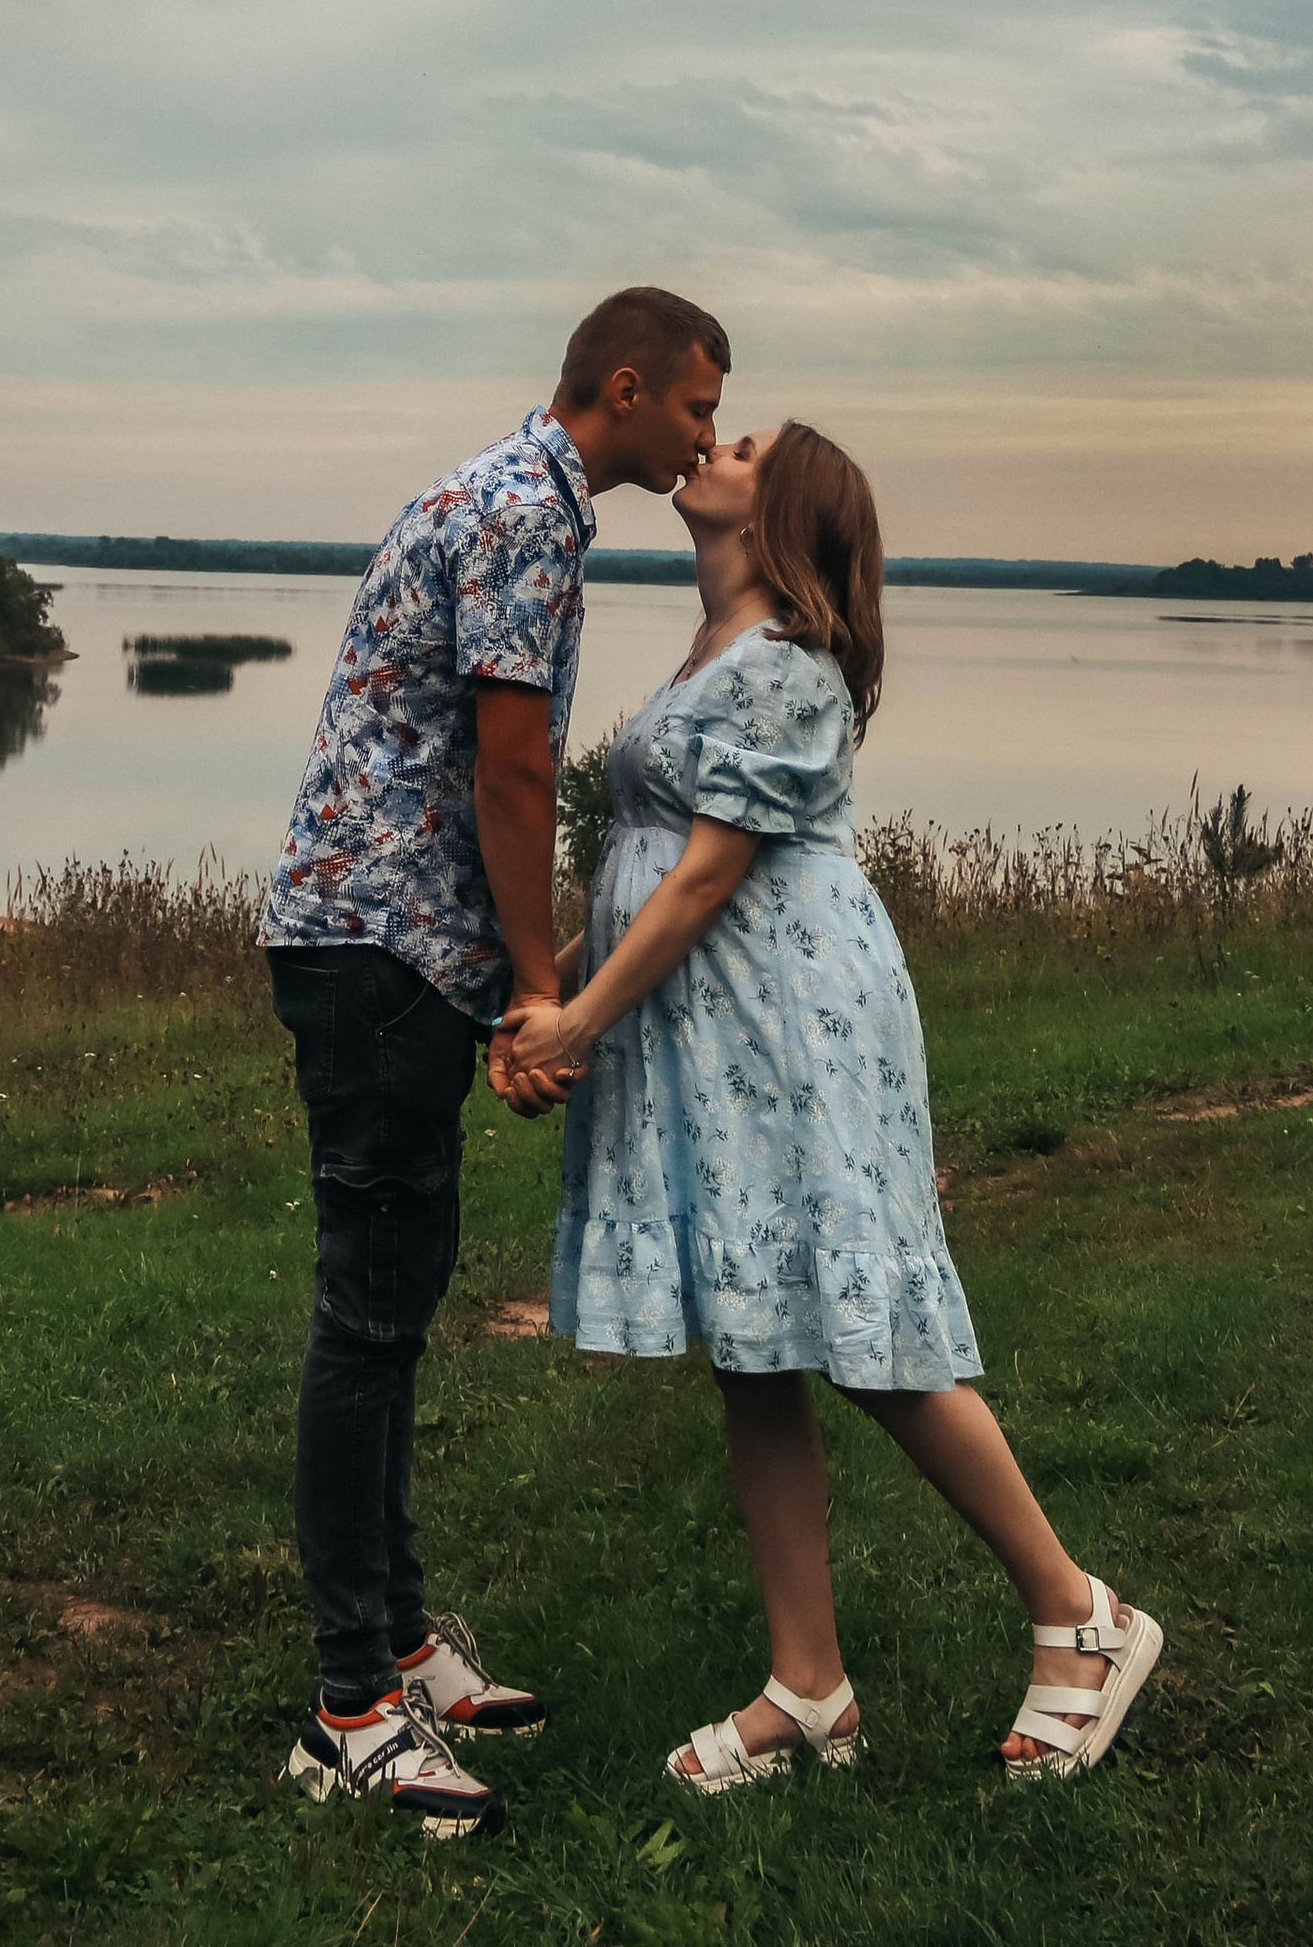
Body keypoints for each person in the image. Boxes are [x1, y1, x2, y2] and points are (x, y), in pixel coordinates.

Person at [518, 417, 1166, 1788]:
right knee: (756, 1351)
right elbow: (650, 861)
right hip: (714, 1030)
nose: (709, 443)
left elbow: (708, 878)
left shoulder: (788, 668)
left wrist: (582, 1013)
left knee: (873, 1339)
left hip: (793, 1028)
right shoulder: (711, 653)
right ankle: (808, 1689)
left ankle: (1081, 1616)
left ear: (788, 507)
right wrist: (554, 994)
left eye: (741, 443)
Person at [257, 285, 730, 1838]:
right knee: (369, 1314)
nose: (707, 435)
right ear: (626, 383)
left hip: (384, 951)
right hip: (377, 952)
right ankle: (348, 1712)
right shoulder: (527, 511)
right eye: (697, 407)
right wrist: (542, 989)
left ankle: (398, 1643)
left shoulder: (511, 493)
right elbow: (511, 763)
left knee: (396, 1299)